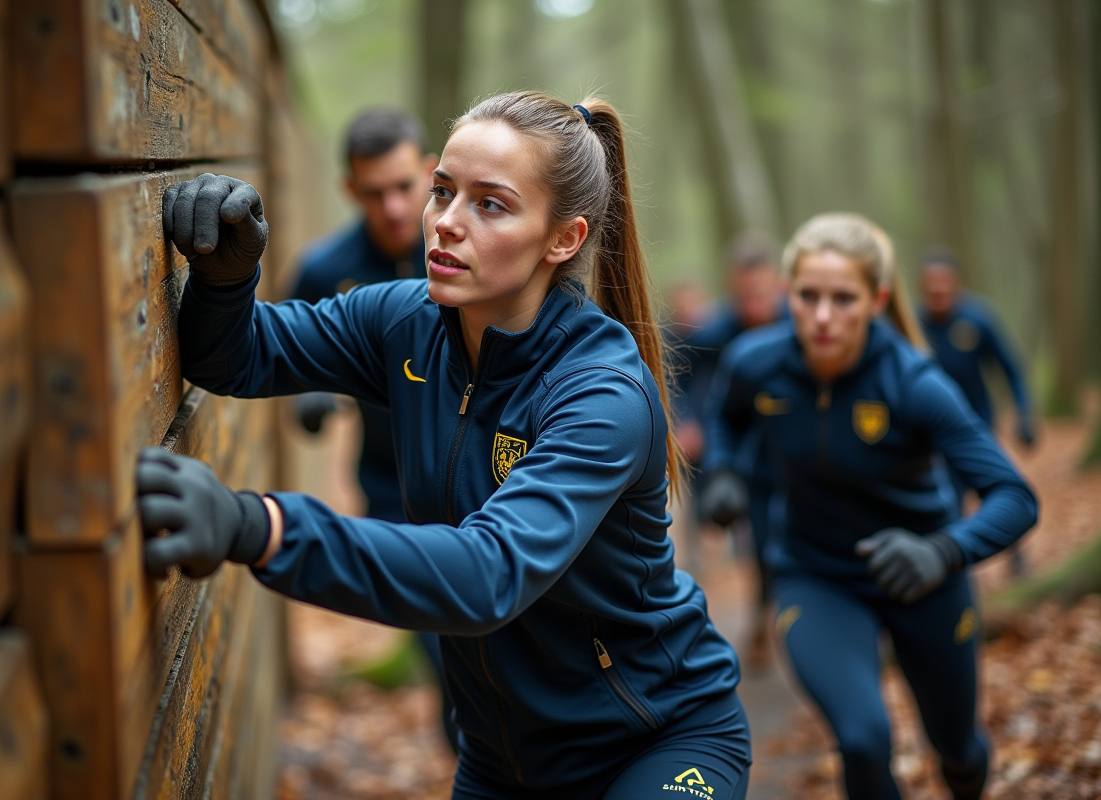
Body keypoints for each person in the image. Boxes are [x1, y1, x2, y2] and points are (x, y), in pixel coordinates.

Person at [143, 92, 751, 798]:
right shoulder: (405, 321)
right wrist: (226, 278)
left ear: (563, 238)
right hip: (502, 764)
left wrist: (263, 527)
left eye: (490, 204)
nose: (445, 224)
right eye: (443, 192)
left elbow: (487, 574)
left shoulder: (601, 393)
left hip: (656, 741)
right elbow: (237, 359)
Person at [701, 213, 1037, 800]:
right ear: (787, 294)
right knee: (861, 740)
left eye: (844, 299)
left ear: (877, 300)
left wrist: (943, 551)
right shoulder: (755, 364)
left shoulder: (914, 384)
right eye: (808, 296)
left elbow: (1015, 497)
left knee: (958, 752)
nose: (823, 316)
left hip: (925, 579)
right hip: (816, 575)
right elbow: (725, 420)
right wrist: (723, 475)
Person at [288, 107, 459, 750]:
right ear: (349, 191)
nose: (391, 208)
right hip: (392, 483)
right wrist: (306, 395)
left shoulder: (463, 244)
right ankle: (468, 747)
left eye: (403, 188)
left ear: (427, 172)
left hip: (481, 470)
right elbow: (284, 339)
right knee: (440, 627)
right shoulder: (326, 267)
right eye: (372, 193)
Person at [674, 233, 786, 668]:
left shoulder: (802, 326)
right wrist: (685, 421)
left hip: (804, 457)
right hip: (747, 460)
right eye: (744, 296)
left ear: (777, 284)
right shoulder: (716, 332)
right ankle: (761, 622)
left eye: (761, 294)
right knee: (760, 547)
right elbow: (677, 374)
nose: (753, 305)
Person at [919, 248, 1036, 574]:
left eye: (945, 285)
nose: (939, 293)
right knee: (947, 496)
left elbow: (1011, 368)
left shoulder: (978, 318)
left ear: (957, 285)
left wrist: (1025, 414)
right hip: (932, 432)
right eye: (932, 287)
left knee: (995, 487)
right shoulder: (914, 324)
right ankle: (953, 566)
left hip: (978, 423)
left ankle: (1016, 553)